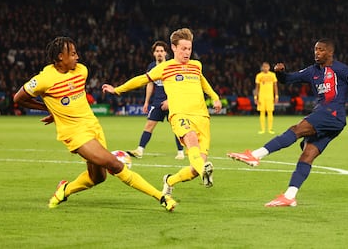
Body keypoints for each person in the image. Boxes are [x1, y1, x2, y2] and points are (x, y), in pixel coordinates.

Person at [13, 37, 176, 211]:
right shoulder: (44, 79)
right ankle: (161, 197)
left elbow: (70, 100)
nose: (77, 57)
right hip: (74, 134)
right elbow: (18, 98)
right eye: (73, 53)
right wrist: (49, 109)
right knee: (114, 164)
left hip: (93, 127)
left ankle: (64, 190)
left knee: (98, 177)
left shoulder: (81, 71)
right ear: (61, 57)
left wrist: (55, 110)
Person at [228, 38, 348, 207]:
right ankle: (289, 196)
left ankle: (256, 155)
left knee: (297, 129)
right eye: (315, 49)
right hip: (327, 117)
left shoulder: (341, 69)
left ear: (330, 52)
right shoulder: (312, 71)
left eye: (321, 50)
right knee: (307, 154)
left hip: (332, 113)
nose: (317, 53)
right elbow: (288, 79)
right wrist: (280, 73)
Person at [102, 28, 222, 198]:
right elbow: (142, 79)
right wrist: (118, 90)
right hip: (180, 115)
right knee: (191, 140)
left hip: (202, 117)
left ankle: (170, 181)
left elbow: (204, 83)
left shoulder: (196, 66)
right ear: (173, 48)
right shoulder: (165, 68)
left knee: (194, 170)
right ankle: (205, 170)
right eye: (183, 49)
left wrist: (215, 97)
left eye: (189, 49)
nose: (187, 52)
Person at [126, 41, 185, 160]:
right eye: (157, 51)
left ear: (166, 53)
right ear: (154, 53)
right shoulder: (152, 67)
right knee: (149, 125)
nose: (159, 53)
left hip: (172, 101)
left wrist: (170, 100)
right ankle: (140, 150)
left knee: (176, 127)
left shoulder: (171, 65)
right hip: (157, 101)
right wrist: (146, 102)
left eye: (161, 51)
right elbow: (150, 84)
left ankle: (180, 152)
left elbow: (177, 86)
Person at [254, 62, 279, 134]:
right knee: (262, 112)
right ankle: (262, 129)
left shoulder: (272, 75)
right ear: (262, 67)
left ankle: (270, 129)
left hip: (270, 96)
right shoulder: (259, 76)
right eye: (264, 67)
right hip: (261, 96)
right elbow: (257, 87)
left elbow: (275, 86)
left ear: (269, 67)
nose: (265, 68)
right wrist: (256, 97)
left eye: (267, 67)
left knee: (270, 112)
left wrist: (276, 96)